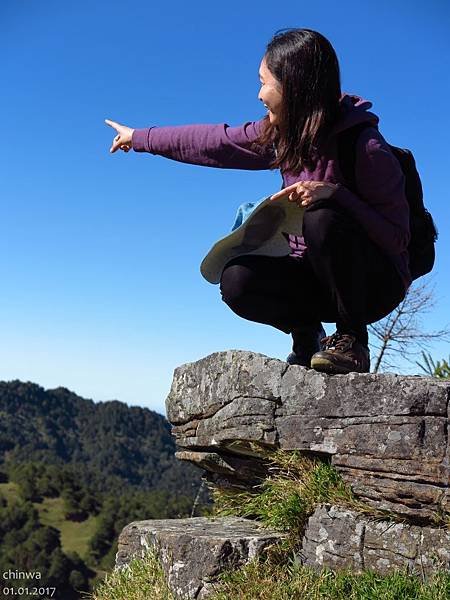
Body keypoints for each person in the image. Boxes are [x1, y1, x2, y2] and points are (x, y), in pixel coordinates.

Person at [105, 28, 411, 375]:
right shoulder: (282, 135)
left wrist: (336, 195)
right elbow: (214, 142)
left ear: (293, 87)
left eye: (265, 82)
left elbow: (398, 239)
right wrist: (140, 138)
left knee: (322, 217)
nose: (259, 94)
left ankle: (352, 340)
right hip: (317, 277)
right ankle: (306, 332)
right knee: (237, 280)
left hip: (374, 284)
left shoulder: (365, 147)